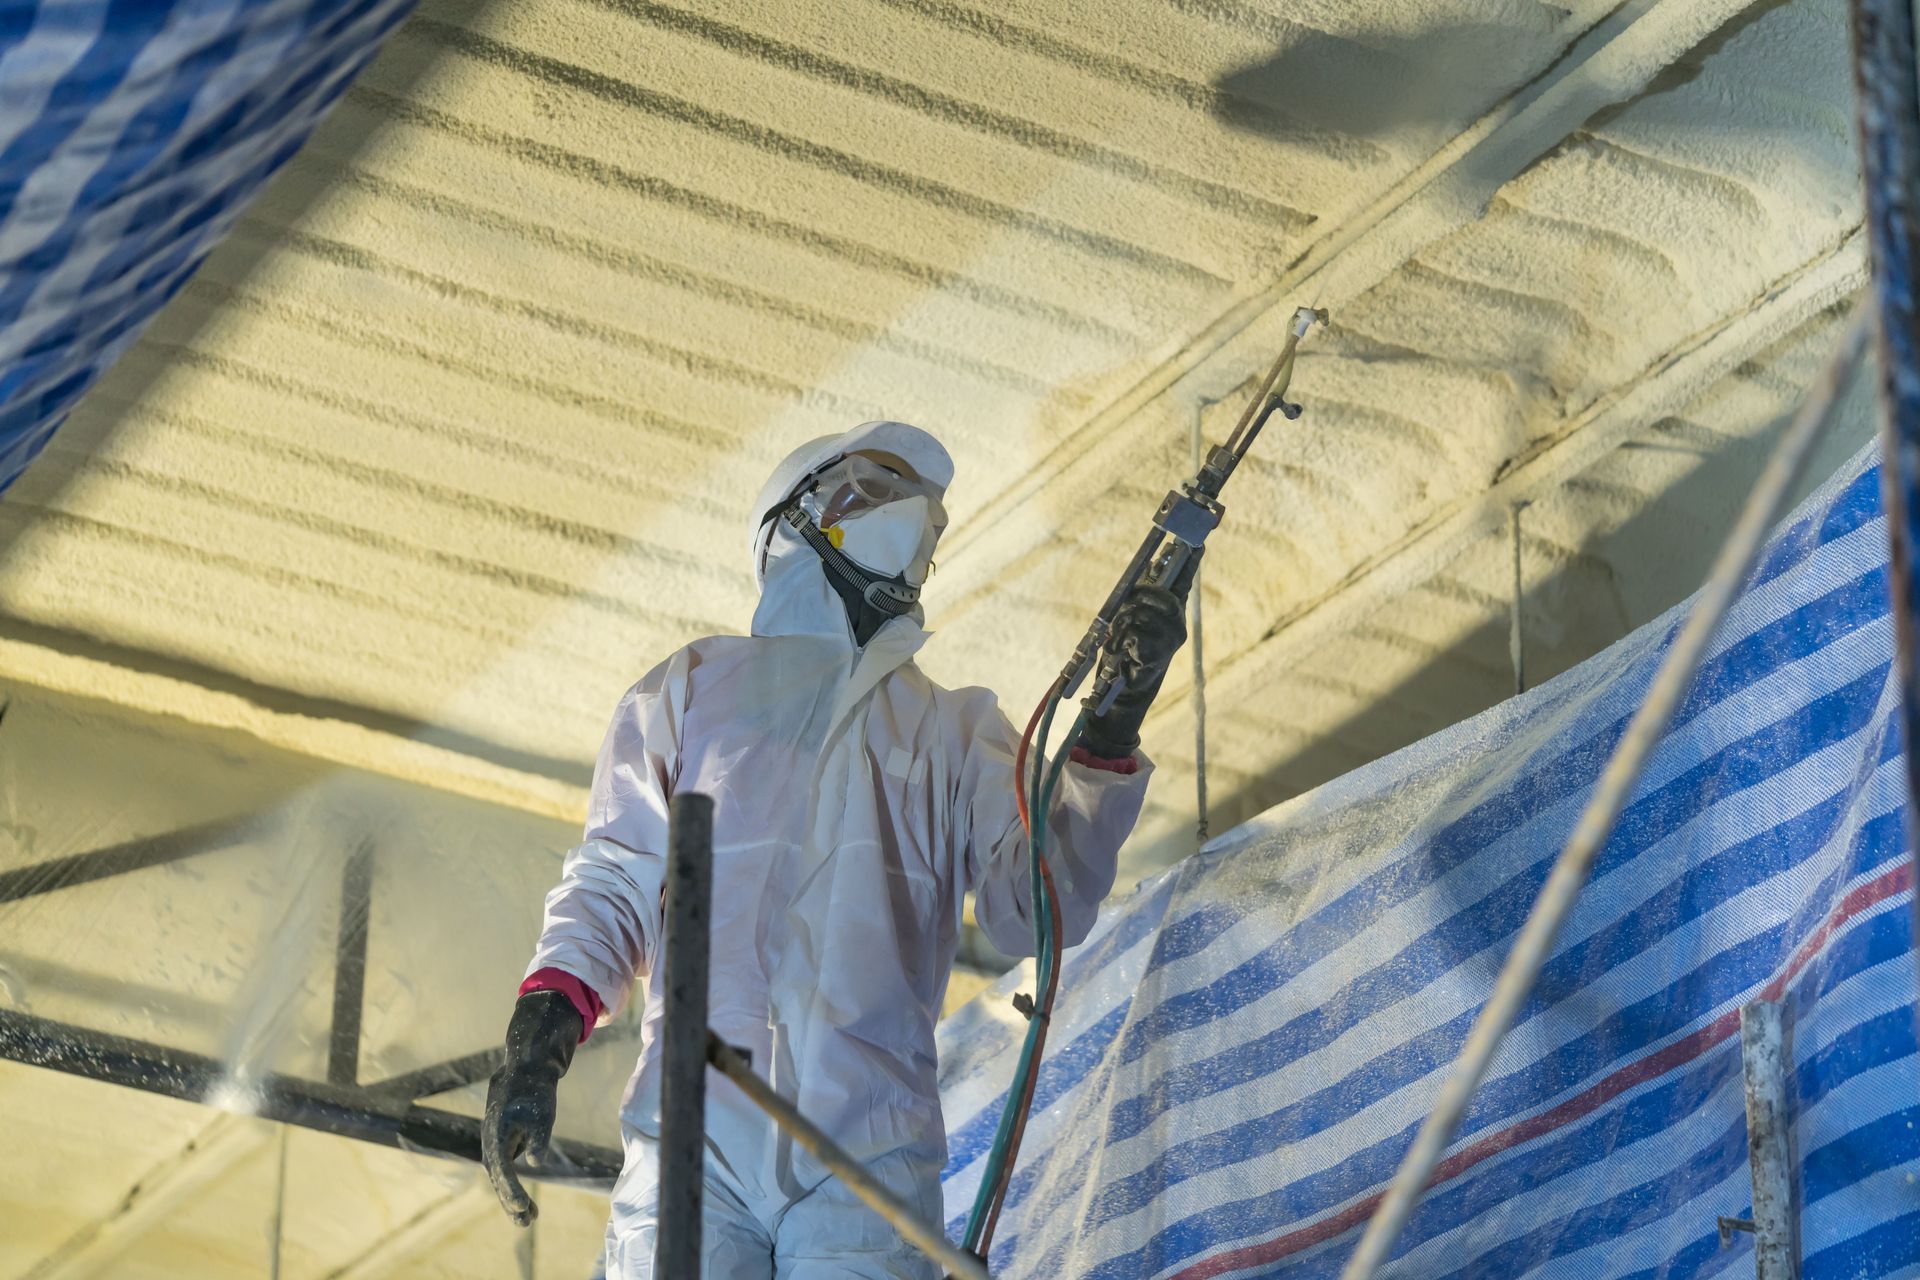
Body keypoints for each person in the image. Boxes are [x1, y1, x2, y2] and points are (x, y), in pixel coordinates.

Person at [480, 420, 1193, 1278]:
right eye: (874, 488)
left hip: (869, 1148)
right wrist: (540, 1034)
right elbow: (615, 882)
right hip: (696, 1132)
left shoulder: (959, 729)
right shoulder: (693, 688)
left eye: (920, 505)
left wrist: (1110, 730)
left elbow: (1032, 906)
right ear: (793, 519)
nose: (910, 515)